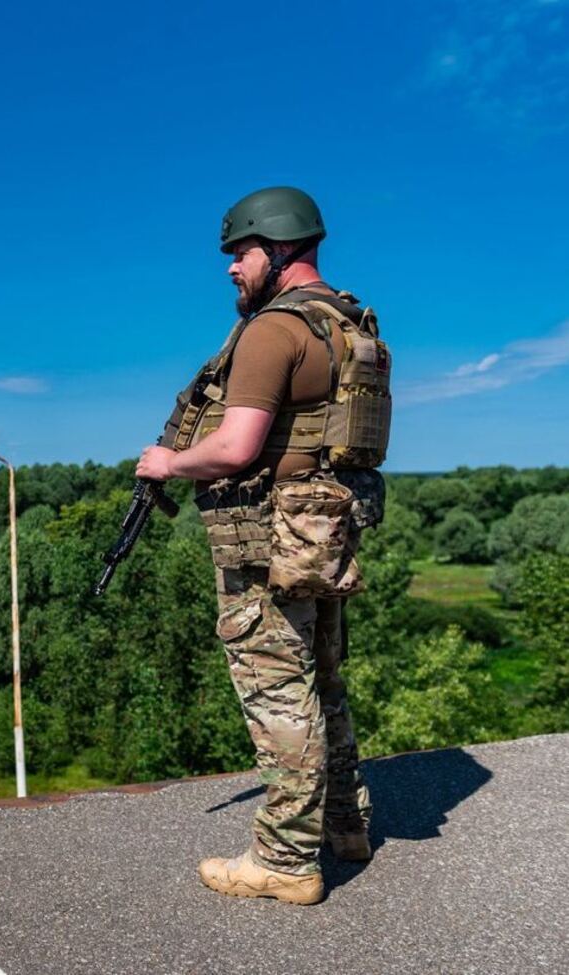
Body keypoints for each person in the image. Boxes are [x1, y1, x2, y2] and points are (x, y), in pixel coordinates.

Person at [136, 186, 392, 905]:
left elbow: (235, 446)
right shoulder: (344, 322)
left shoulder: (271, 331)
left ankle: (283, 860)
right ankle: (346, 823)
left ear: (278, 249)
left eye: (240, 253)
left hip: (268, 544)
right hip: (321, 533)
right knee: (325, 683)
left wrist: (166, 464)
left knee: (280, 694)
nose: (230, 268)